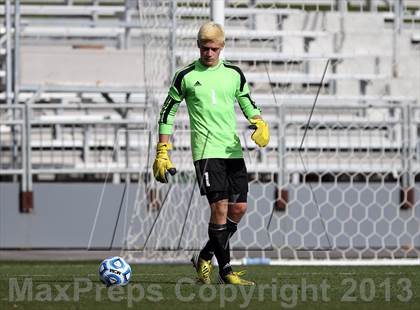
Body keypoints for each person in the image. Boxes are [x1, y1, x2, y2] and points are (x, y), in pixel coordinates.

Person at [153, 21, 269, 285]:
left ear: (222, 47)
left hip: (232, 150)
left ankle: (205, 255)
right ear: (198, 46)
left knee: (238, 208)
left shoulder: (234, 74)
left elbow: (248, 103)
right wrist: (162, 150)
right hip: (206, 153)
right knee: (219, 208)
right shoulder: (185, 76)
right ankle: (226, 271)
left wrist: (260, 122)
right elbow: (167, 112)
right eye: (205, 48)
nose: (209, 53)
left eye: (214, 48)